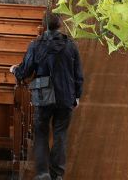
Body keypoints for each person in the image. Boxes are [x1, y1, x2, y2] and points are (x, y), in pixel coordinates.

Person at [11, 13, 84, 180]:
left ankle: (43, 174)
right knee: (60, 135)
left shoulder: (36, 45)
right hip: (65, 95)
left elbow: (25, 71)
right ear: (59, 26)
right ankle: (57, 174)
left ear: (44, 26)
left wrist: (14, 70)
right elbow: (78, 74)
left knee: (42, 133)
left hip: (43, 95)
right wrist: (77, 96)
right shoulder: (71, 46)